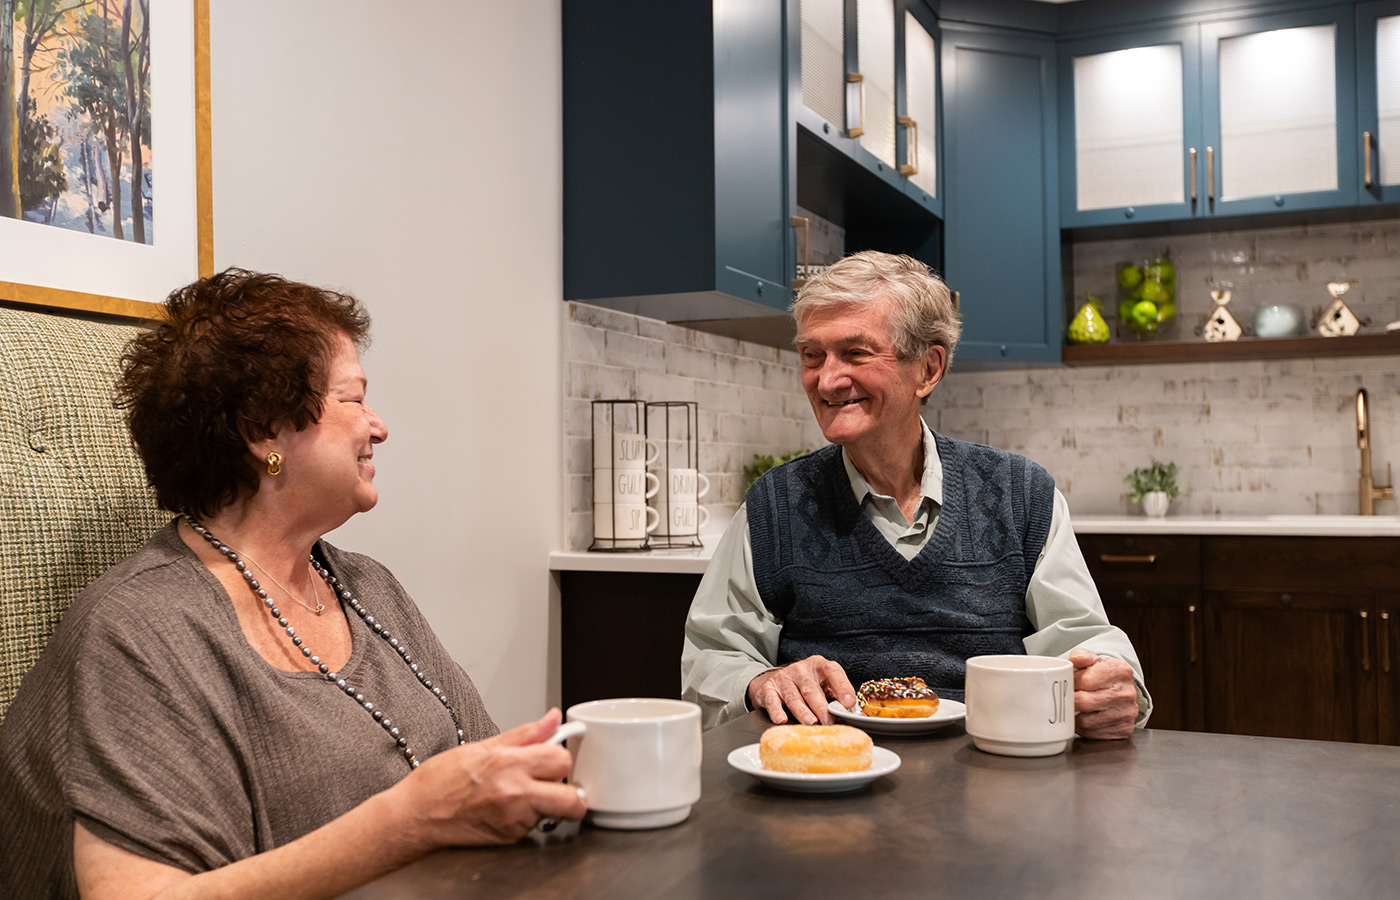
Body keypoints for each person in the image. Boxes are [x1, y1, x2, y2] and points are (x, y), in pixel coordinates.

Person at [0, 270, 586, 898]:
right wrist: (408, 821)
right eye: (354, 399)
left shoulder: (367, 588)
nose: (379, 426)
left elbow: (485, 761)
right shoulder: (139, 629)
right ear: (262, 432)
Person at [681, 251, 1149, 736]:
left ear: (928, 368)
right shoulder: (773, 506)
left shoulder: (1021, 495)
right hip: (828, 786)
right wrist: (761, 681)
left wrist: (1112, 684)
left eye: (856, 353)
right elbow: (710, 662)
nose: (826, 379)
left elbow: (1088, 643)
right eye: (811, 355)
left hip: (998, 780)